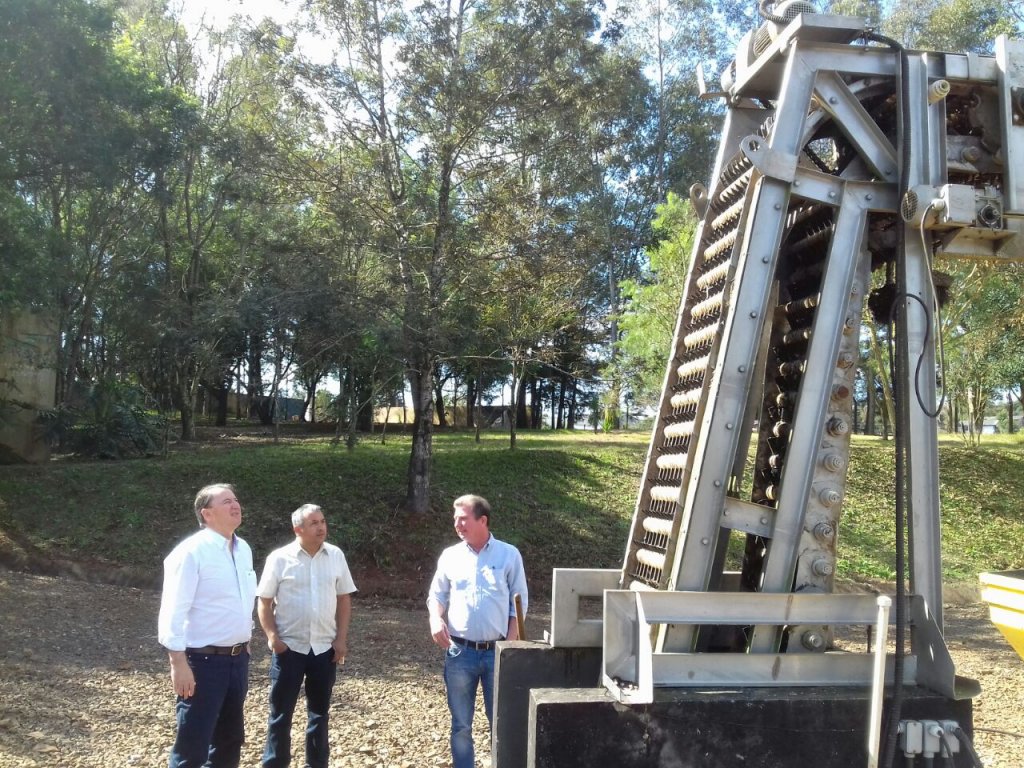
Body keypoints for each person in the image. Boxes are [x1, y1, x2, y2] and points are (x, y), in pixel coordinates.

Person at [158, 483, 257, 768]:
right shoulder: (190, 552)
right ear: (207, 513)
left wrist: (245, 639)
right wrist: (178, 662)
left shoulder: (243, 549)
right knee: (193, 745)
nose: (235, 505)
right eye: (226, 501)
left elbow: (240, 599)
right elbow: (173, 610)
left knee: (229, 741)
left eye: (236, 500)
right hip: (202, 661)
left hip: (237, 660)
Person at [427, 494, 528, 768]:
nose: (457, 524)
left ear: (482, 520)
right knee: (461, 724)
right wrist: (436, 620)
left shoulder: (508, 555)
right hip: (460, 652)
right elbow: (437, 595)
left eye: (463, 518)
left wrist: (509, 643)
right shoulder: (450, 556)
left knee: (501, 723)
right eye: (455, 519)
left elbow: (518, 602)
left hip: (498, 652)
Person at [257, 503, 357, 768]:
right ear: (297, 529)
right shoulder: (279, 558)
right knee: (280, 715)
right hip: (289, 648)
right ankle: (275, 764)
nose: (321, 527)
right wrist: (273, 639)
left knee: (320, 714)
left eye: (322, 521)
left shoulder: (335, 555)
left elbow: (344, 599)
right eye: (314, 523)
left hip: (324, 649)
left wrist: (341, 639)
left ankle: (317, 764)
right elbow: (264, 601)